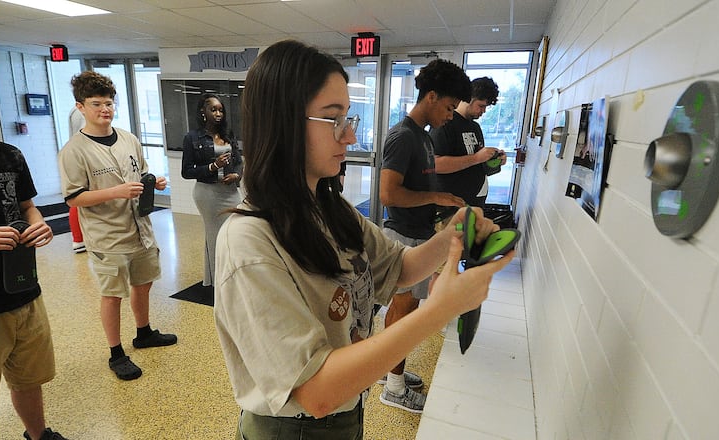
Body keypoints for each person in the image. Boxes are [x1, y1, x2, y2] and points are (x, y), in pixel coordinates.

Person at [213, 39, 513, 439]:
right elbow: (315, 392)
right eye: (333, 119)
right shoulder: (250, 241)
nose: (350, 137)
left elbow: (399, 267)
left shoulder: (330, 208)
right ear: (283, 122)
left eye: (349, 118)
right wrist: (437, 313)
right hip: (295, 428)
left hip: (347, 408)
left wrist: (454, 232)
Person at [0, 55, 67, 440]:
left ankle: (38, 434)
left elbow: (26, 207)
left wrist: (40, 227)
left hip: (21, 292)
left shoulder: (8, 155)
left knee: (29, 379)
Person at [58, 71, 177, 381]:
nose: (104, 110)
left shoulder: (128, 138)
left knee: (144, 282)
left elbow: (142, 173)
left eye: (109, 103)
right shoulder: (74, 151)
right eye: (96, 104)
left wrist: (155, 183)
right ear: (80, 107)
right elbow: (73, 198)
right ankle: (116, 352)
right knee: (112, 294)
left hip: (141, 230)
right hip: (108, 236)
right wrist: (116, 191)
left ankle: (144, 332)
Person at [377, 58, 471, 413]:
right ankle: (394, 388)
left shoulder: (423, 137)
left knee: (407, 309)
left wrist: (440, 206)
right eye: (448, 107)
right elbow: (388, 194)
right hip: (402, 236)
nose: (450, 115)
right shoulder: (403, 137)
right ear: (431, 97)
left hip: (417, 232)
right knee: (402, 311)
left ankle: (389, 371)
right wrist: (434, 197)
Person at [181, 93, 242, 287]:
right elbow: (186, 171)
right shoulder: (192, 137)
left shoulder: (227, 135)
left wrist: (237, 176)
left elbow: (239, 162)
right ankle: (219, 280)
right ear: (203, 112)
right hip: (207, 194)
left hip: (230, 192)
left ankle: (234, 273)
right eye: (213, 109)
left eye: (221, 110)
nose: (218, 113)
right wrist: (212, 167)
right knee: (215, 235)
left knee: (235, 231)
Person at [429, 76, 505, 209]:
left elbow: (478, 164)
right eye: (481, 106)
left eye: (486, 107)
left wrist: (494, 160)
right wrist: (476, 158)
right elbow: (436, 164)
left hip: (474, 202)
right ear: (469, 98)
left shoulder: (475, 127)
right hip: (450, 207)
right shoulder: (445, 123)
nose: (483, 111)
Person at [66, 106, 86, 253]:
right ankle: (78, 239)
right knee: (79, 198)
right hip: (83, 157)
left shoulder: (74, 111)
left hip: (80, 155)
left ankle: (78, 239)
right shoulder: (81, 112)